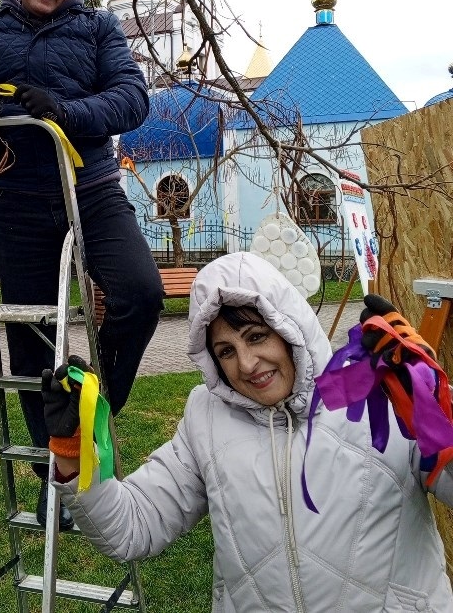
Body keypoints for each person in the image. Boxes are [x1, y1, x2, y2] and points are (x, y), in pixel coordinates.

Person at [42, 251, 453, 612]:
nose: (248, 363)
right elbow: (131, 528)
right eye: (226, 351)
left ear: (289, 327)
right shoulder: (206, 419)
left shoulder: (381, 396)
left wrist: (437, 412)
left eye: (257, 336)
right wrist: (74, 455)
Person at [0, 0, 164, 529]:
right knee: (32, 340)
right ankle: (50, 475)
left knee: (140, 294)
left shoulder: (97, 29)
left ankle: (94, 412)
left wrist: (65, 110)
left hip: (90, 192)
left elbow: (133, 99)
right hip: (14, 203)